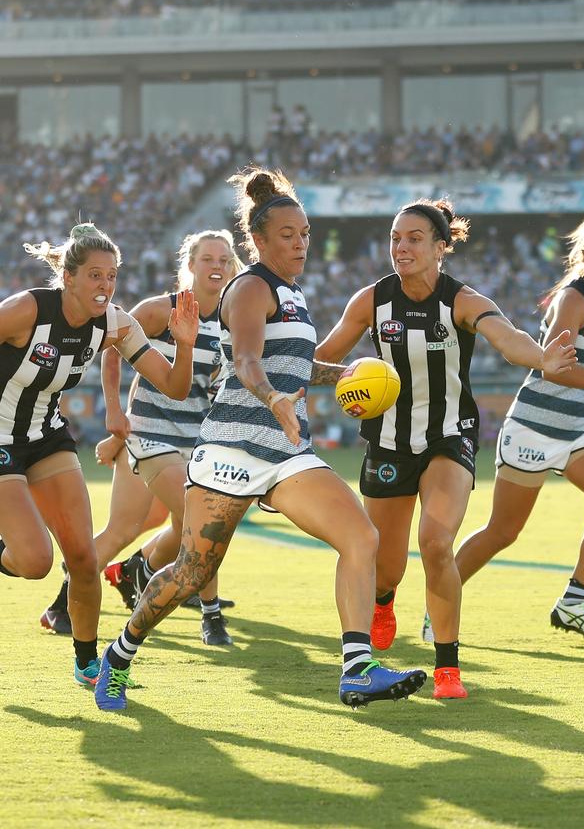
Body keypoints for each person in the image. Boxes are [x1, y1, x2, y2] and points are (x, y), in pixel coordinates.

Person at [95, 169, 427, 711]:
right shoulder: (248, 288)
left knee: (362, 539)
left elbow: (290, 363)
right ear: (260, 241)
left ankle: (356, 669)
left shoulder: (293, 293)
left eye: (306, 234)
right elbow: (247, 361)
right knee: (191, 572)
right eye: (289, 235)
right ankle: (119, 654)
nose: (301, 244)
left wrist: (339, 374)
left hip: (286, 454)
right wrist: (274, 398)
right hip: (232, 447)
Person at [314, 198, 576, 699]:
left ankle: (448, 669)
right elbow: (323, 358)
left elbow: (509, 337)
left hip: (449, 437)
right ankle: (384, 600)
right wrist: (336, 379)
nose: (401, 247)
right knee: (385, 565)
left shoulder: (461, 301)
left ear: (440, 248)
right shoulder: (371, 301)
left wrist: (541, 357)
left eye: (414, 239)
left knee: (436, 541)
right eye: (395, 238)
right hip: (388, 442)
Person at [0, 223, 198, 687]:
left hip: (46, 438)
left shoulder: (114, 322)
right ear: (68, 277)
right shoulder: (28, 309)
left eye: (111, 276)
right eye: (94, 275)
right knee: (34, 561)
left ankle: (88, 664)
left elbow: (174, 385)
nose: (105, 286)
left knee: (84, 559)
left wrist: (184, 345)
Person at [42, 230, 241, 646]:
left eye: (225, 259)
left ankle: (83, 593)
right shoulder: (159, 310)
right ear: (189, 265)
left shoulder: (233, 320)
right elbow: (115, 349)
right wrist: (115, 414)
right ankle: (210, 615)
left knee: (125, 528)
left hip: (195, 437)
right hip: (149, 432)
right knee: (203, 517)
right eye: (208, 258)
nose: (217, 266)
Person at [455, 216, 584, 639]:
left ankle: (572, 604)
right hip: (534, 427)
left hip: (580, 428)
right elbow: (557, 369)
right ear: (583, 256)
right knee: (503, 532)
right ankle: (440, 602)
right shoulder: (572, 300)